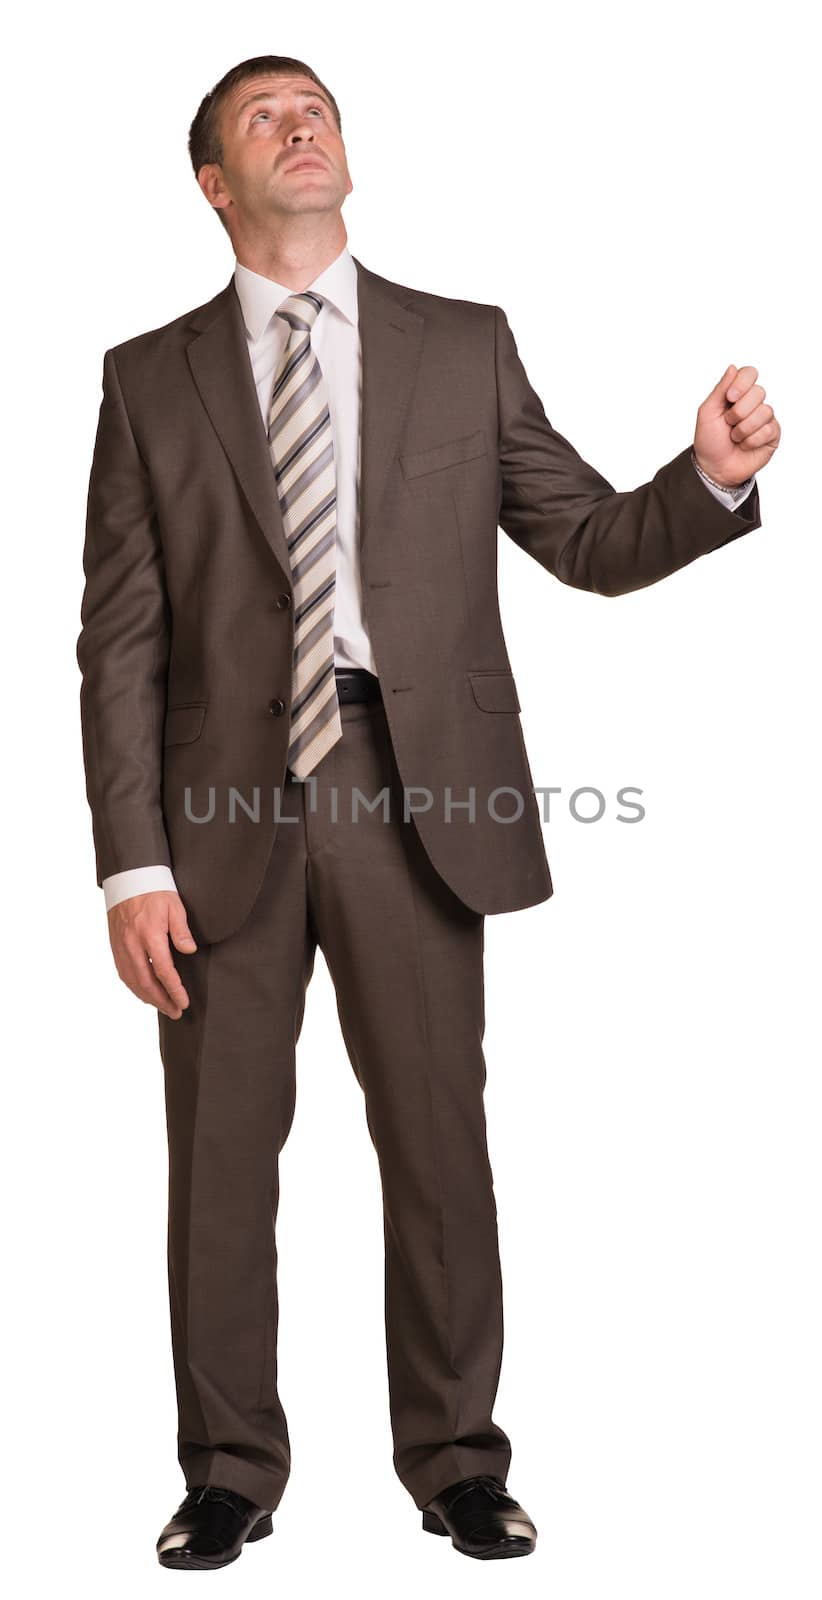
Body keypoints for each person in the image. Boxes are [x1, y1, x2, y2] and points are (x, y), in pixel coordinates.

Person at [76, 53, 780, 1569]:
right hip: (215, 818)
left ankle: (458, 1463)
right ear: (213, 183)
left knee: (437, 1146)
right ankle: (228, 1474)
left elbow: (586, 537)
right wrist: (129, 861)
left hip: (416, 793)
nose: (300, 122)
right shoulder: (148, 378)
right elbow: (121, 639)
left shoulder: (462, 345)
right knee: (216, 1158)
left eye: (315, 104)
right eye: (263, 116)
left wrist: (707, 482)